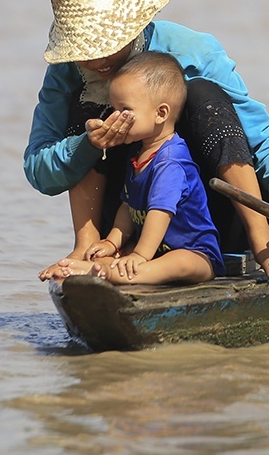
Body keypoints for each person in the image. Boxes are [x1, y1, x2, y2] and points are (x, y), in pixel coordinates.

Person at [28, 0, 269, 284]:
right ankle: (88, 250)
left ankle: (265, 249)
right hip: (127, 229)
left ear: (133, 24)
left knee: (201, 94)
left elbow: (261, 136)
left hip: (206, 224)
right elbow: (39, 171)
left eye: (107, 46)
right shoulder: (66, 76)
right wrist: (88, 145)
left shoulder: (192, 50)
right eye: (86, 51)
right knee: (86, 108)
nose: (96, 61)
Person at [47, 52, 225, 285]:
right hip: (155, 250)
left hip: (195, 253)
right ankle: (89, 268)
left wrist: (141, 255)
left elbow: (160, 214)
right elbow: (129, 206)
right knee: (118, 258)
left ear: (161, 113)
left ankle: (107, 273)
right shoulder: (138, 154)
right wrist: (111, 242)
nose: (114, 116)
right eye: (113, 108)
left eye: (124, 109)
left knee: (177, 262)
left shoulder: (170, 161)